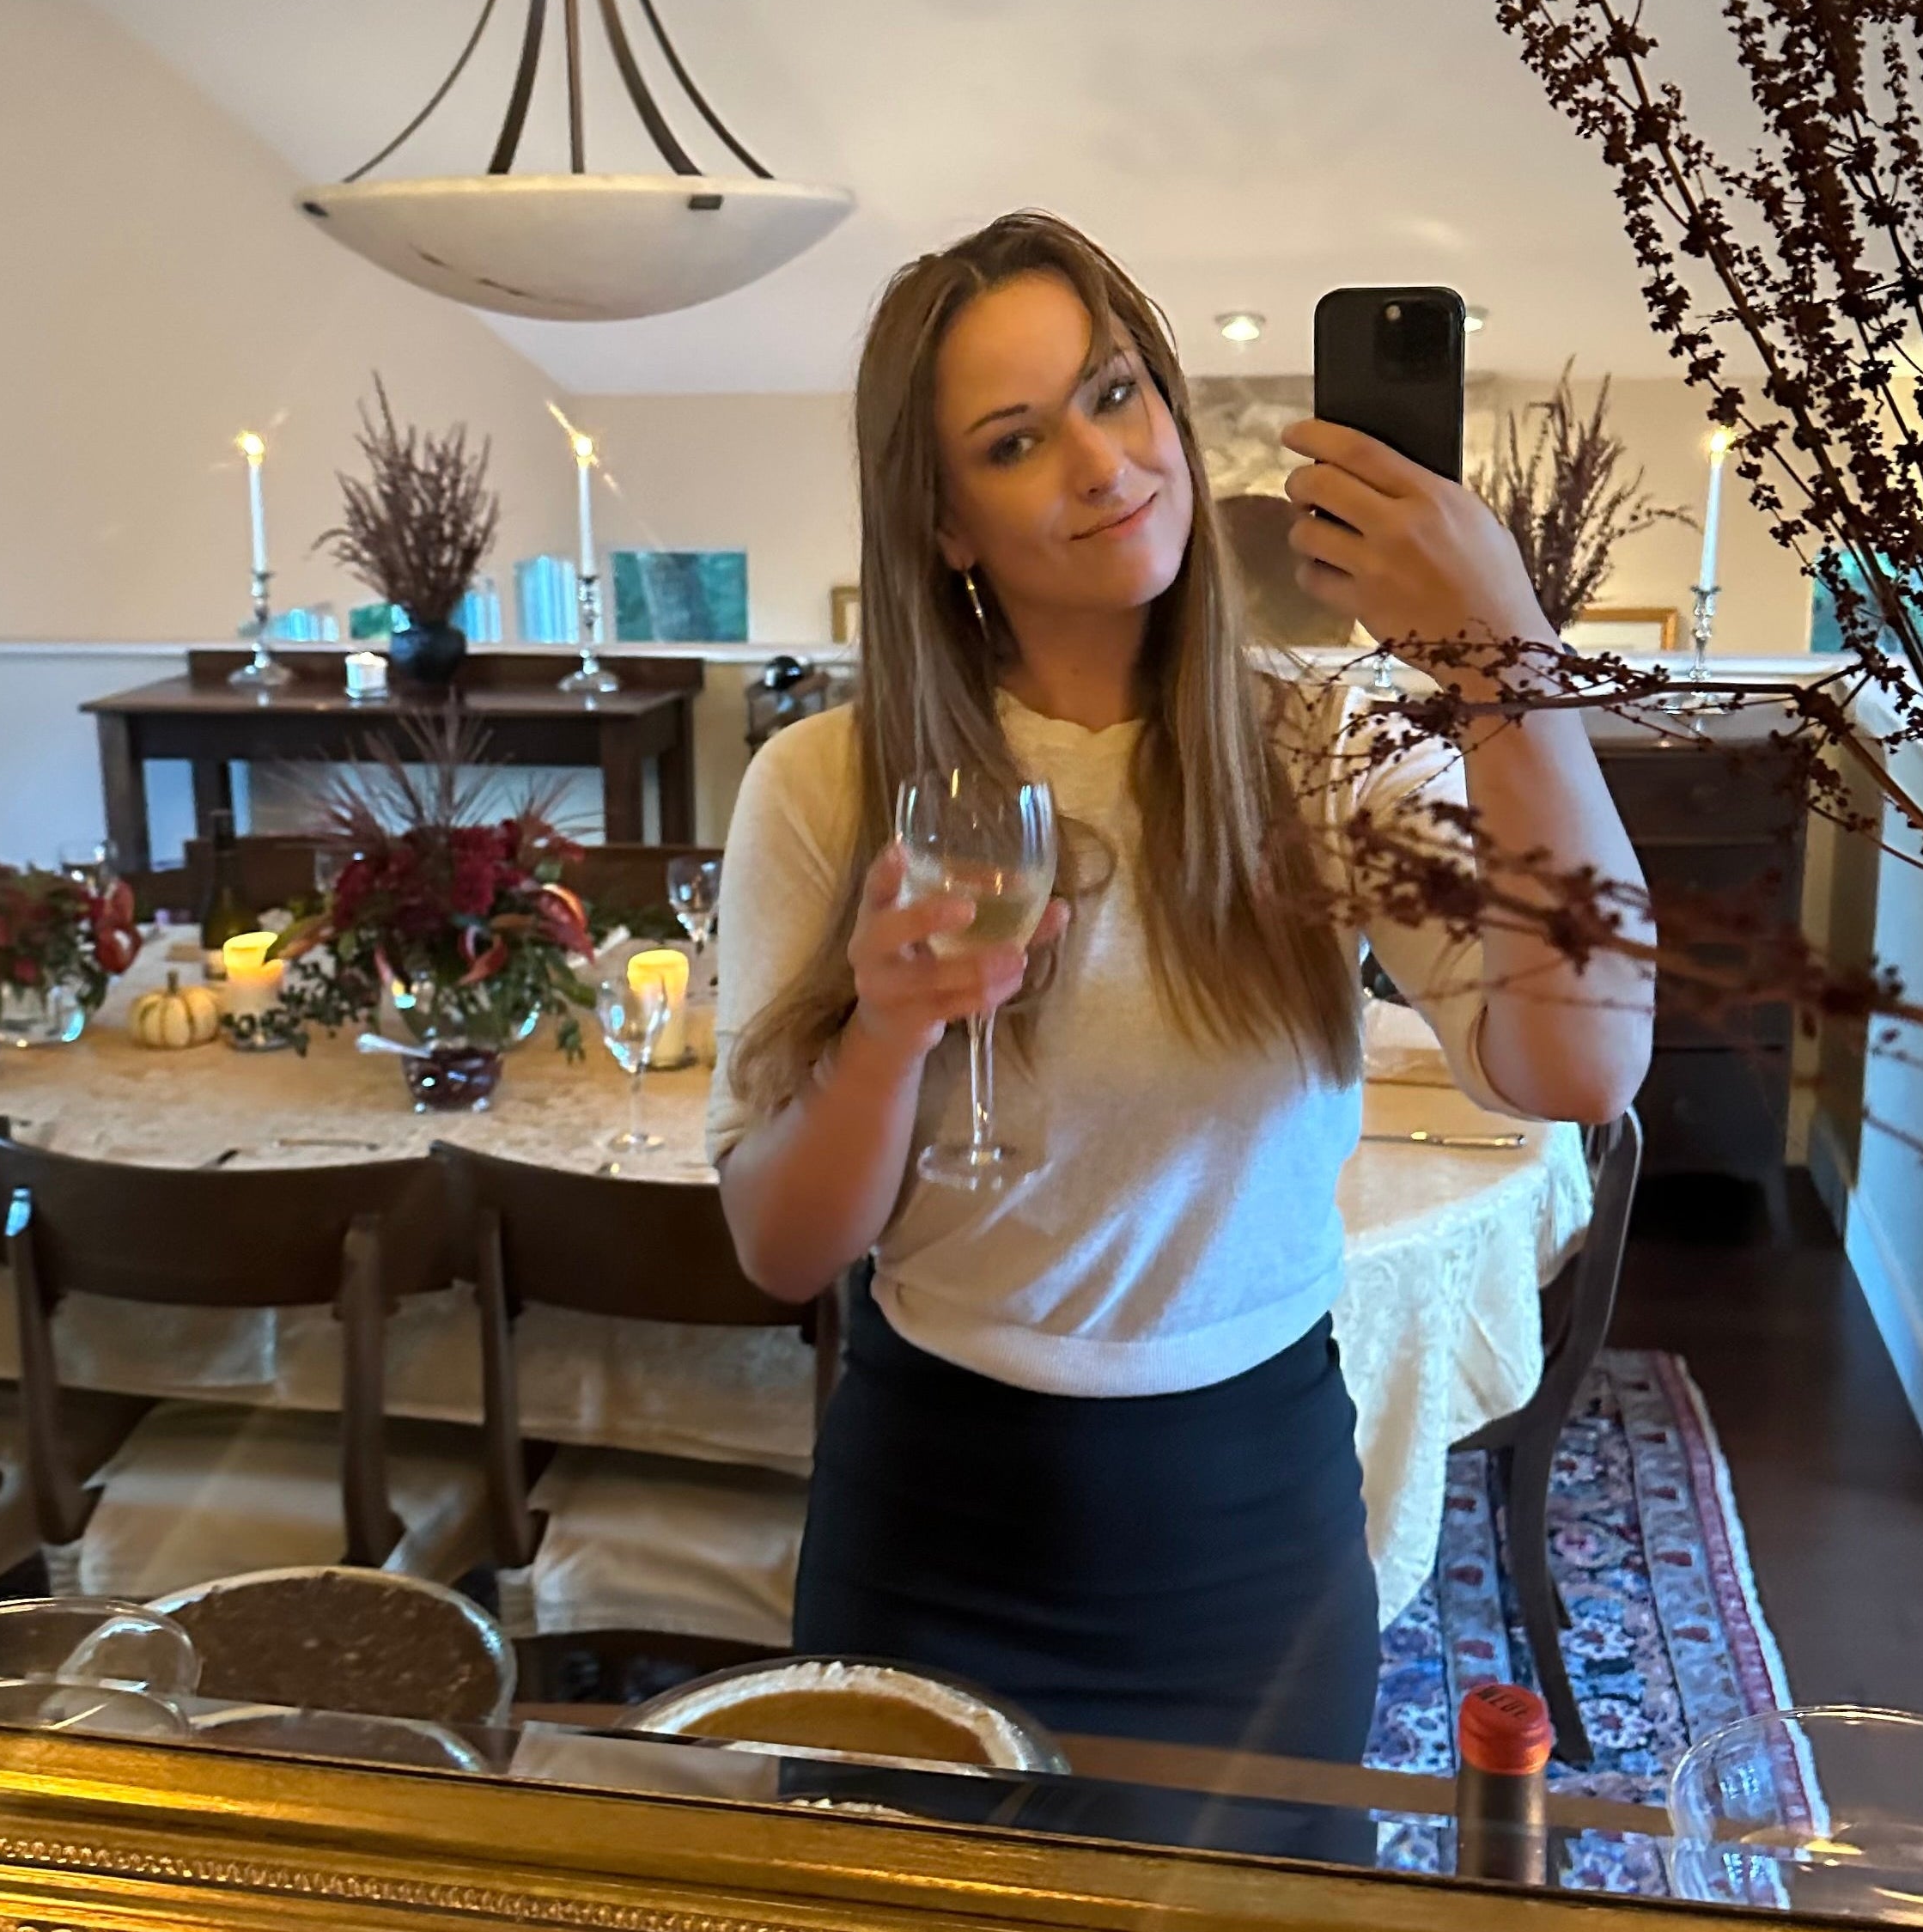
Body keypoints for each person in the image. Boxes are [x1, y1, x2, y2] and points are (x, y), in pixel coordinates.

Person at [708, 212, 1652, 1763]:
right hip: (931, 1517)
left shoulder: (1326, 748)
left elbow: (1578, 1065)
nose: (1102, 461)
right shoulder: (827, 781)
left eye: (1118, 391)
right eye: (1015, 440)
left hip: (1249, 1534)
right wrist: (884, 1034)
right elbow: (780, 1247)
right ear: (942, 519)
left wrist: (1507, 666)